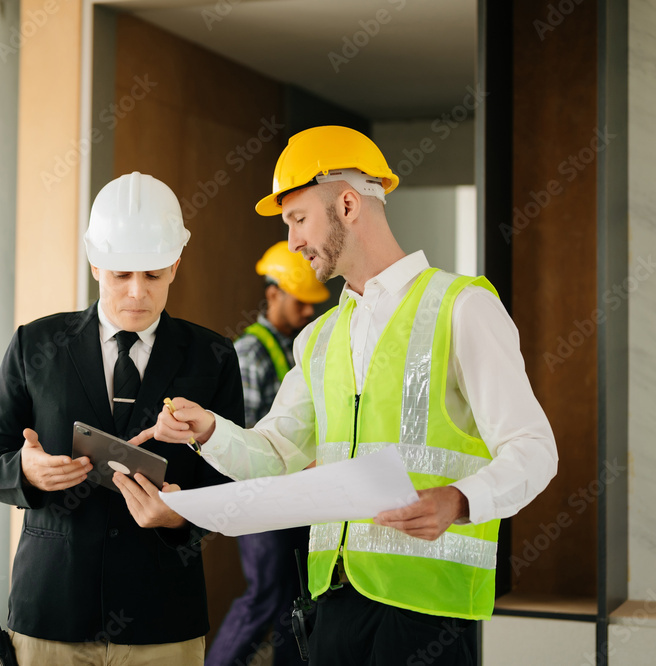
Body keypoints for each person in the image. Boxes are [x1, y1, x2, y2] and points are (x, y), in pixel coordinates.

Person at [134, 126, 559, 665]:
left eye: (298, 219)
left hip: (427, 610)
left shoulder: (461, 307)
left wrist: (458, 501)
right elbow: (278, 454)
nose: (292, 241)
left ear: (348, 204)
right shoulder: (321, 337)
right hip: (333, 604)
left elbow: (534, 448)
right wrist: (211, 432)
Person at [0, 171, 244, 665]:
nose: (137, 292)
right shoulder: (37, 344)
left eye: (153, 275)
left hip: (161, 617)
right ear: (96, 264)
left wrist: (181, 514)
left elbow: (231, 481)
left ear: (175, 265)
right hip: (51, 612)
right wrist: (25, 471)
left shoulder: (213, 356)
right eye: (121, 275)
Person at [206, 242, 328, 666]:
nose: (309, 312)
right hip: (260, 496)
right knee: (267, 594)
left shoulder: (304, 350)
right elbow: (246, 436)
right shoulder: (249, 354)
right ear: (273, 294)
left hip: (297, 497)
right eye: (301, 302)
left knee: (296, 600)